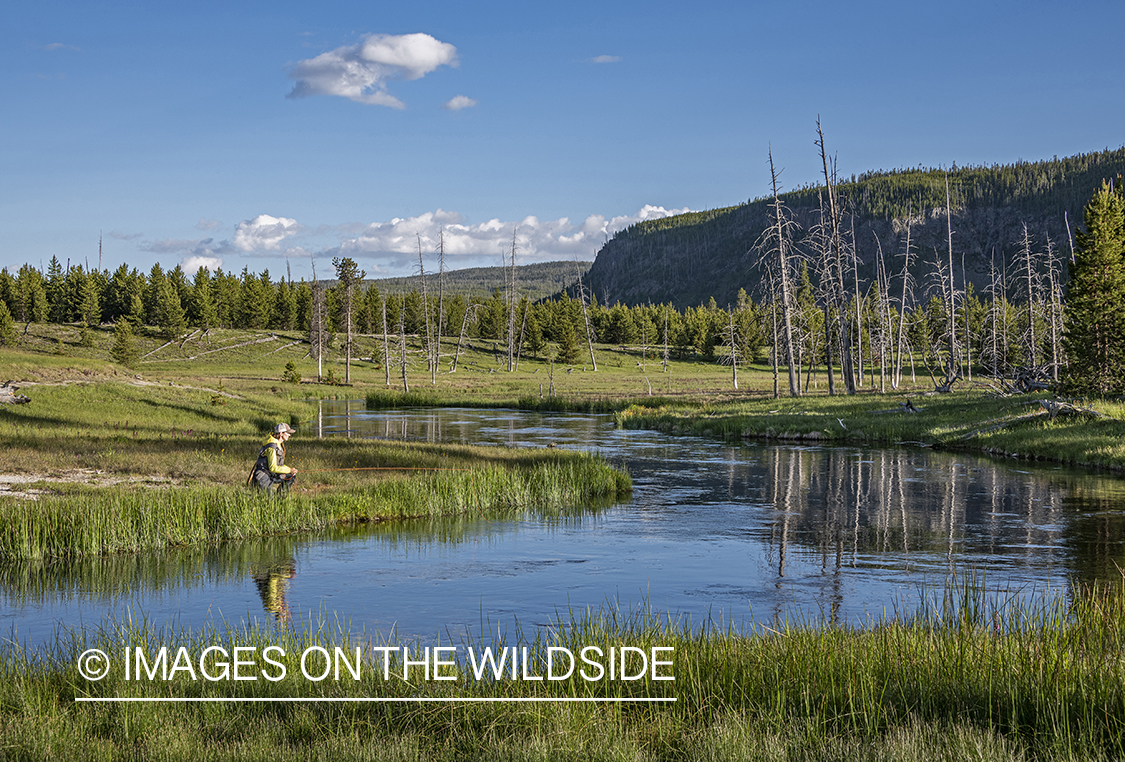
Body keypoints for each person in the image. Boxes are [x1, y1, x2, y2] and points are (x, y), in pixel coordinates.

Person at [248, 422, 299, 494]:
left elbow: (278, 466)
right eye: (287, 433)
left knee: (291, 475)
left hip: (271, 474)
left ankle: (280, 498)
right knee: (268, 501)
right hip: (263, 476)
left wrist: (290, 470)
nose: (289, 435)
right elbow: (273, 467)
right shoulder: (272, 447)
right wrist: (289, 470)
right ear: (281, 433)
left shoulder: (278, 444)